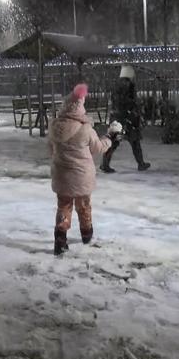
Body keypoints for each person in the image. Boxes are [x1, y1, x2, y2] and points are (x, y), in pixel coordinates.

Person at [49, 83, 123, 256]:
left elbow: (50, 150)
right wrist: (110, 138)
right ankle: (86, 235)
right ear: (80, 107)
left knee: (64, 207)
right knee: (84, 206)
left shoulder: (54, 126)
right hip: (81, 176)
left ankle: (60, 239)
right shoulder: (85, 128)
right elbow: (98, 148)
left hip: (62, 175)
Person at [100, 65, 151, 173]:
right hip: (127, 118)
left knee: (113, 142)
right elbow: (129, 102)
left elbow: (117, 102)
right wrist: (133, 110)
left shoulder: (116, 86)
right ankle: (141, 163)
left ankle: (105, 164)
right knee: (134, 142)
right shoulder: (129, 86)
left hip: (117, 117)